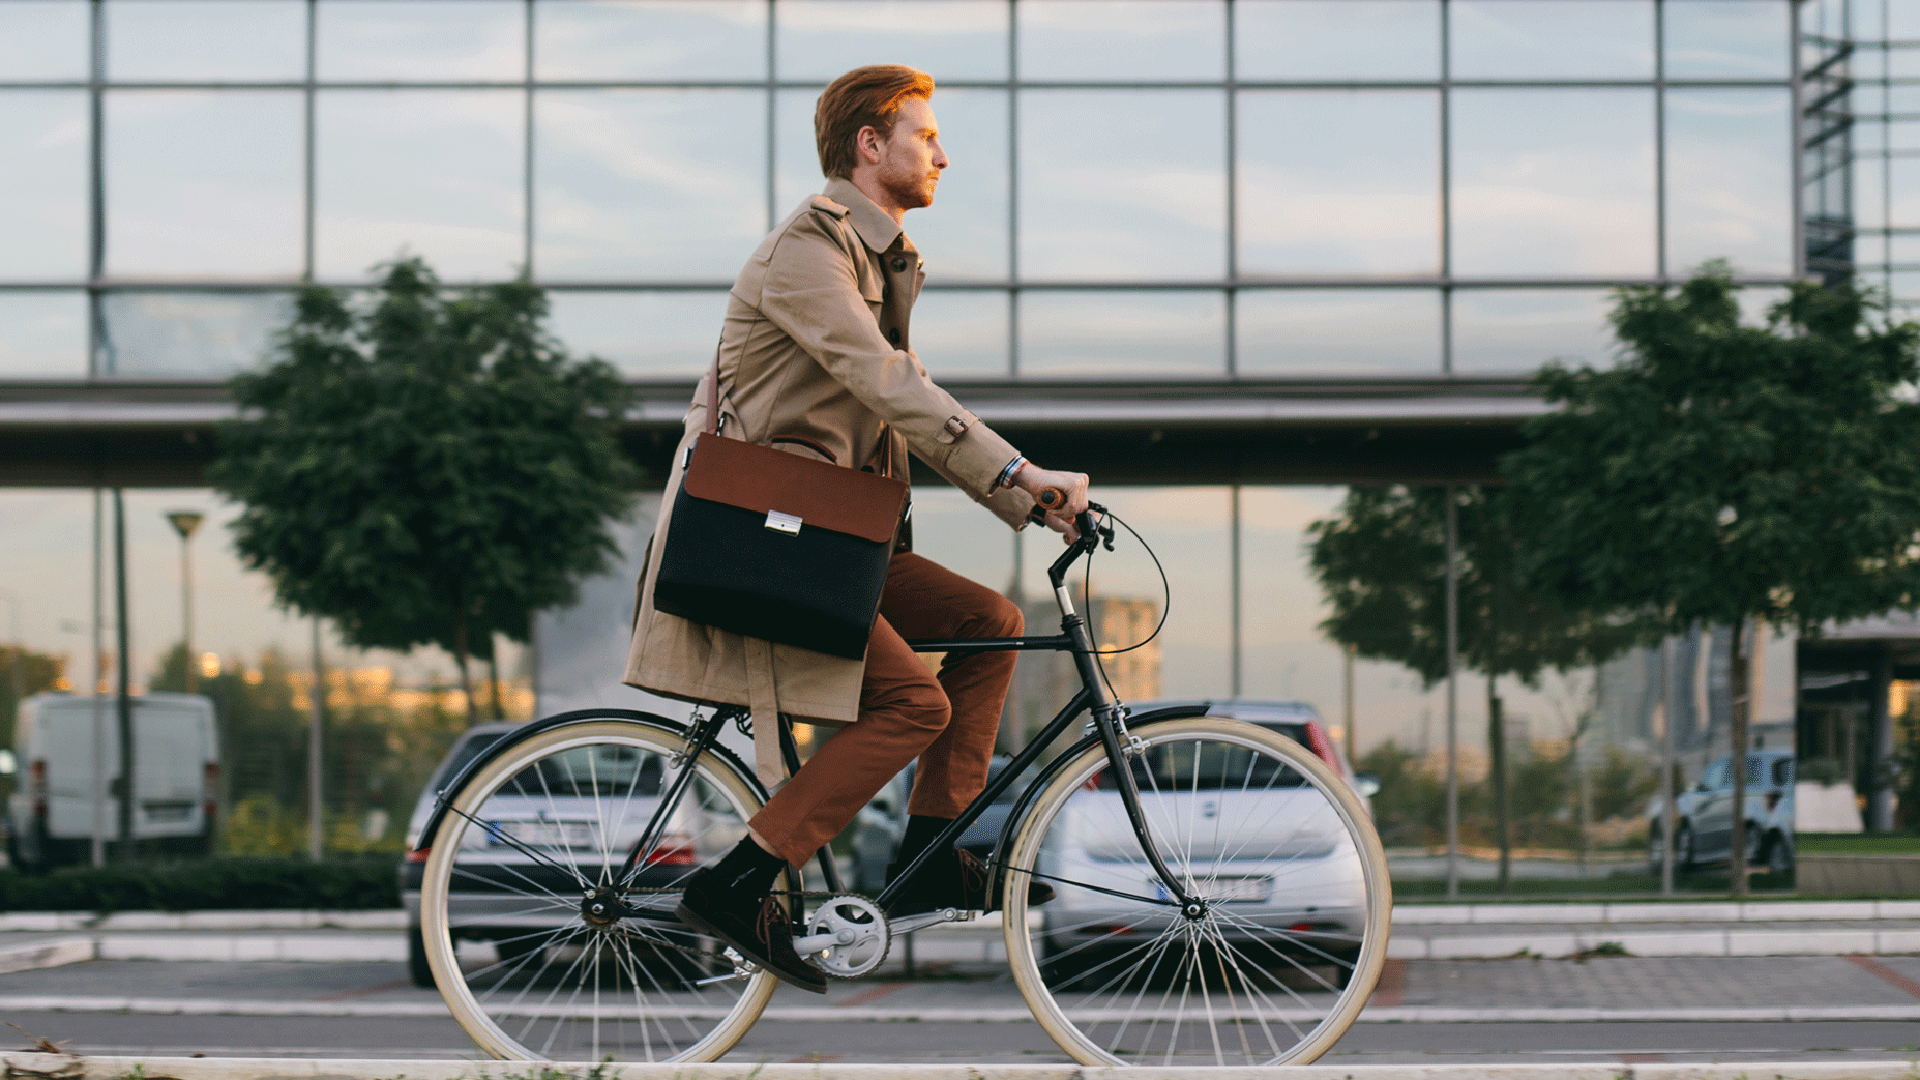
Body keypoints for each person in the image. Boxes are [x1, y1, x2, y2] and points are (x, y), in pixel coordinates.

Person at [622, 64, 1092, 993]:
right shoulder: (806, 250)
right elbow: (886, 383)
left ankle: (930, 858)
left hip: (833, 541)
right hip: (765, 535)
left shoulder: (877, 260)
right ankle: (739, 881)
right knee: (915, 704)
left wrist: (1021, 500)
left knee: (992, 624)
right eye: (926, 136)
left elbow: (898, 408)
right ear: (869, 145)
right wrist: (1017, 474)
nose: (943, 155)